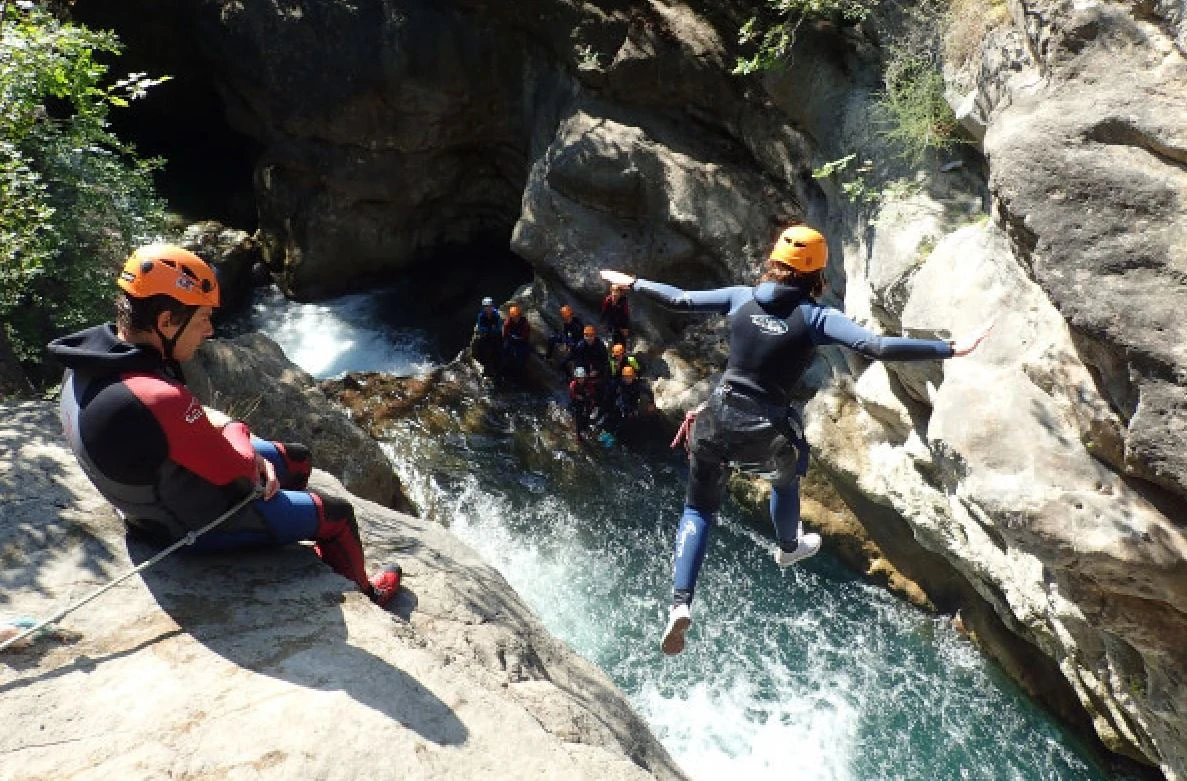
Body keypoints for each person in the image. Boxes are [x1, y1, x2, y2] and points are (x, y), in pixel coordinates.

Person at [601, 225, 993, 655]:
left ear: (775, 262)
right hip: (765, 429)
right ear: (816, 274)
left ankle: (680, 604)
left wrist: (634, 283)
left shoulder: (741, 297)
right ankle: (788, 546)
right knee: (784, 480)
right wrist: (948, 349)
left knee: (698, 510)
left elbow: (680, 299)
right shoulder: (815, 316)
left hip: (716, 419)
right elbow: (876, 346)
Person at [48, 244, 402, 607]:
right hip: (186, 526)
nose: (210, 331)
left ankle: (283, 518)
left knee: (295, 459)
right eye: (202, 319)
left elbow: (173, 422)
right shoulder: (157, 398)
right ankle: (367, 593)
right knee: (337, 514)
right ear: (167, 321)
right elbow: (236, 466)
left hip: (156, 497)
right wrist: (238, 430)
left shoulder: (88, 361)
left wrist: (235, 445)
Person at [567, 365, 603, 440]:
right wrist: (577, 396)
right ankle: (578, 434)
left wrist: (589, 397)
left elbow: (592, 392)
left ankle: (585, 428)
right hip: (577, 403)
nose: (581, 380)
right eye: (579, 378)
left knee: (587, 416)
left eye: (582, 378)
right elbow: (572, 393)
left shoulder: (588, 383)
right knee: (578, 417)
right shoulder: (573, 385)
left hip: (586, 401)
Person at [471, 296, 503, 379]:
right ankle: (488, 370)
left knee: (498, 352)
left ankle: (498, 372)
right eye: (486, 306)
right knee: (485, 351)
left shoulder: (496, 315)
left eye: (489, 306)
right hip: (486, 337)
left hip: (495, 337)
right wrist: (488, 330)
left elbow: (498, 328)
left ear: (492, 306)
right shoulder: (481, 315)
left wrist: (489, 331)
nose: (488, 308)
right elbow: (481, 328)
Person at [501, 304, 531, 379]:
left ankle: (516, 377)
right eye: (514, 316)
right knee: (504, 353)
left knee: (521, 358)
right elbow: (505, 334)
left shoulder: (524, 322)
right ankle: (503, 373)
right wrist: (509, 339)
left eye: (517, 316)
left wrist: (518, 338)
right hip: (511, 341)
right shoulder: (508, 322)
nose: (515, 318)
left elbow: (525, 335)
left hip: (522, 342)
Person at [600, 283, 632, 347]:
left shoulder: (623, 302)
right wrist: (601, 322)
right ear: (611, 291)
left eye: (617, 292)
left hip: (621, 322)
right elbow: (604, 312)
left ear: (620, 293)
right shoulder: (608, 300)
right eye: (613, 291)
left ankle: (623, 350)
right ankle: (613, 350)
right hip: (612, 321)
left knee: (622, 339)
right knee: (613, 337)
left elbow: (626, 316)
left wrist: (625, 328)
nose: (615, 294)